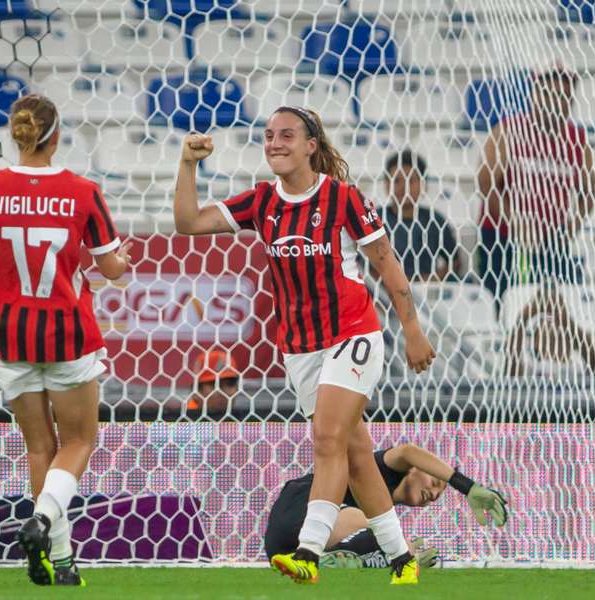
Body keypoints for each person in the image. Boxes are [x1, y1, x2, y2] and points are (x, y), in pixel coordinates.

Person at [173, 106, 436, 585]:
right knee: (356, 456)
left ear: (311, 145)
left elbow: (386, 261)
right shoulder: (260, 202)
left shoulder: (342, 199)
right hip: (301, 348)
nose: (274, 142)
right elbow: (188, 222)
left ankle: (309, 553)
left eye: (286, 135)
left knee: (327, 439)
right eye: (269, 135)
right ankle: (403, 560)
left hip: (354, 332)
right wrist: (188, 163)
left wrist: (411, 330)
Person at [0, 94, 132, 587]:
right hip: (67, 334)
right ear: (56, 136)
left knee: (39, 448)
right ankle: (45, 521)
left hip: (8, 336)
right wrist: (123, 259)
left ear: (18, 134)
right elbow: (114, 270)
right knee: (78, 440)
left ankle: (62, 561)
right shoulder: (82, 192)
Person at [264, 444, 508, 569]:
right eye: (434, 482)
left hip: (281, 548)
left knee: (385, 541)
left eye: (438, 494)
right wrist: (466, 486)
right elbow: (408, 451)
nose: (433, 494)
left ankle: (334, 561)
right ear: (413, 469)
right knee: (396, 544)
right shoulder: (383, 468)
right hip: (304, 506)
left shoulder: (381, 506)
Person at [477, 63, 595, 312]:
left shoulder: (577, 139)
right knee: (504, 306)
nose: (556, 102)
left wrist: (568, 229)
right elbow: (486, 184)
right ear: (535, 94)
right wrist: (515, 222)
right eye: (549, 93)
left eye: (564, 95)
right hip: (503, 237)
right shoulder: (510, 129)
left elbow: (589, 192)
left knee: (548, 311)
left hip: (550, 241)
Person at [381, 150, 460, 282]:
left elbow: (454, 262)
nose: (403, 187)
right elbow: (363, 264)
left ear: (423, 185)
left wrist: (432, 280)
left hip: (427, 293)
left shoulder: (435, 221)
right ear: (386, 185)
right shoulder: (375, 220)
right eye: (397, 180)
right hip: (384, 294)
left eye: (410, 180)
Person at [504, 287, 595, 376]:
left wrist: (567, 322)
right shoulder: (531, 367)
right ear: (534, 343)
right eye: (545, 325)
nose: (553, 326)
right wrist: (524, 317)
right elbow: (512, 369)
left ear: (571, 343)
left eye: (561, 330)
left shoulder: (578, 367)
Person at [187, 349, 240, 420]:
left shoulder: (248, 423)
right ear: (196, 391)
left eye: (230, 384)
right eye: (215, 385)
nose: (224, 392)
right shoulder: (178, 423)